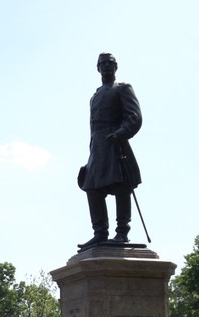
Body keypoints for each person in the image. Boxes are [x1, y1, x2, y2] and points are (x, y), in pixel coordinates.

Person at [78, 53, 143, 249]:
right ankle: (100, 232)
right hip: (97, 147)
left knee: (121, 185)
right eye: (103, 64)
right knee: (91, 186)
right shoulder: (95, 95)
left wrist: (120, 133)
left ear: (116, 67)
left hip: (115, 142)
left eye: (110, 63)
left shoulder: (123, 88)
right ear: (98, 68)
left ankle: (122, 231)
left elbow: (134, 116)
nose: (106, 66)